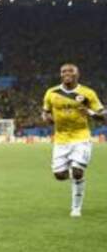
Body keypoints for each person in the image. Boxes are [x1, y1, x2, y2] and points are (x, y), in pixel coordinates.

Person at [42, 63, 105, 217]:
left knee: (77, 172)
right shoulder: (51, 92)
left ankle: (76, 208)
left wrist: (90, 112)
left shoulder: (87, 93)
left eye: (71, 71)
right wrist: (46, 118)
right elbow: (45, 112)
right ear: (60, 75)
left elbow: (103, 115)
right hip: (61, 139)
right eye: (64, 71)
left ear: (78, 74)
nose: (67, 73)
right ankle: (75, 172)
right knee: (60, 175)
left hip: (81, 137)